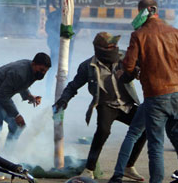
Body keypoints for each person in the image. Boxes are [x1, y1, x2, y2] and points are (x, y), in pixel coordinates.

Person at [121, 0, 178, 183]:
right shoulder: (175, 32)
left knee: (156, 145)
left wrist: (137, 72)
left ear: (142, 12)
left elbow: (128, 65)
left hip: (155, 95)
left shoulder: (139, 35)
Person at [53, 32, 145, 182]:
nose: (115, 49)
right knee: (102, 132)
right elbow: (73, 86)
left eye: (115, 46)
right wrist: (64, 100)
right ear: (100, 49)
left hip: (126, 104)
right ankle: (89, 169)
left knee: (145, 127)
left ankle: (128, 166)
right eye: (111, 47)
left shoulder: (125, 58)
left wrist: (137, 70)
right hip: (106, 105)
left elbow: (144, 64)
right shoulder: (88, 66)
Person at [0, 52, 51, 158]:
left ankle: (6, 157)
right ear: (34, 64)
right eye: (41, 70)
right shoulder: (20, 72)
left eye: (45, 71)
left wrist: (30, 96)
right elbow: (2, 96)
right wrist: (16, 115)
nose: (42, 74)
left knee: (17, 126)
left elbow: (21, 84)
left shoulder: (31, 70)